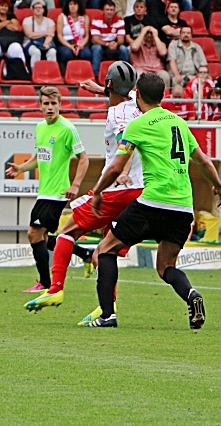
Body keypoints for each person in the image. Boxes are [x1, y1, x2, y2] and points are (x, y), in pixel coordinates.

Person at [83, 72, 221, 328]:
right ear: (163, 95)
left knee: (105, 249)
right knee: (166, 266)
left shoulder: (137, 125)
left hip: (152, 203)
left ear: (137, 94)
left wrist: (96, 191)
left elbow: (116, 167)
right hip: (183, 207)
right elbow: (203, 161)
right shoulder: (179, 123)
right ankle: (191, 295)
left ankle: (107, 316)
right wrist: (218, 186)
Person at [25, 63, 142, 318]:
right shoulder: (137, 103)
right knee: (105, 250)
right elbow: (124, 94)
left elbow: (128, 144)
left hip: (116, 188)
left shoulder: (116, 115)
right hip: (141, 191)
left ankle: (55, 287)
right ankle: (107, 308)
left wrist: (122, 171)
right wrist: (101, 89)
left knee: (67, 231)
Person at [5, 87, 91, 293]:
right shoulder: (40, 128)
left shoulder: (67, 129)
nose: (50, 107)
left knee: (33, 233)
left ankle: (45, 283)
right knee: (42, 238)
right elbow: (38, 159)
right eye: (46, 103)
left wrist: (76, 185)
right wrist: (21, 168)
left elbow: (84, 159)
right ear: (40, 106)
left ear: (60, 105)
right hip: (44, 192)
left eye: (54, 103)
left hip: (58, 192)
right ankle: (85, 254)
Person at [90, 0, 129, 75]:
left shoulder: (119, 21)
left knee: (123, 49)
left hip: (114, 45)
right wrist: (107, 44)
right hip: (102, 46)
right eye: (107, 9)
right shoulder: (96, 20)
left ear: (114, 11)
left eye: (111, 10)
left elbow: (121, 39)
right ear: (103, 11)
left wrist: (116, 44)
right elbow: (95, 39)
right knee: (96, 48)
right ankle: (96, 75)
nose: (109, 12)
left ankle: (126, 74)